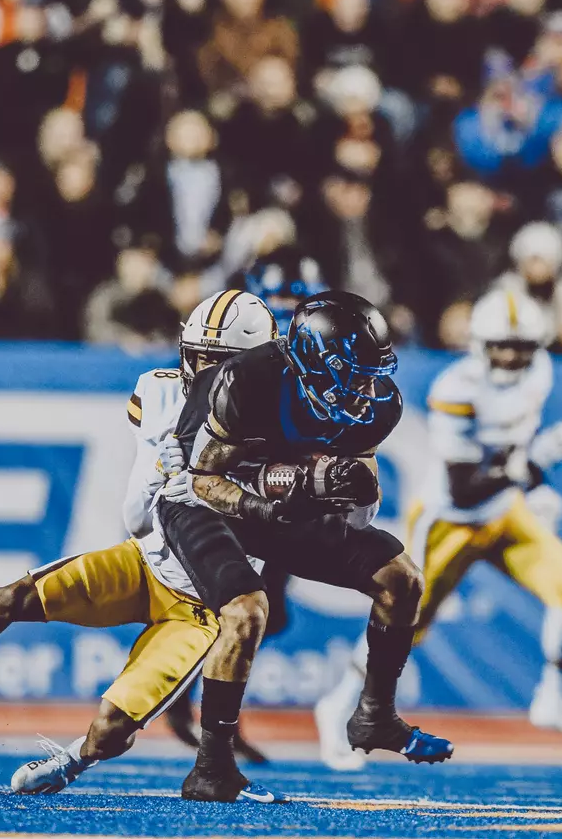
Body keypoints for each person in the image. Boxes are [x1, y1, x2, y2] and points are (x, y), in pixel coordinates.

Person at [0, 292, 280, 796]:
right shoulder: (158, 391)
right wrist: (170, 468)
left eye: (218, 364)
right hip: (147, 561)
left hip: (204, 603)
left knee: (114, 725)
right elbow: (137, 515)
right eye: (198, 358)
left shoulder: (285, 427)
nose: (203, 375)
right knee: (12, 598)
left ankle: (73, 760)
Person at [158, 292, 453, 801]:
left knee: (401, 578)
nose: (368, 387)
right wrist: (277, 499)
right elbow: (202, 478)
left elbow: (359, 507)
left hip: (281, 506)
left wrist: (349, 492)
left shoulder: (379, 403)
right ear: (316, 359)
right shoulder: (245, 380)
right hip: (202, 500)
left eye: (372, 372)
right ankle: (211, 766)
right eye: (356, 372)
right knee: (249, 611)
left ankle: (374, 716)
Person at [315, 288, 562, 770]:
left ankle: (557, 698)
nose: (513, 357)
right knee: (403, 625)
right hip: (450, 519)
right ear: (480, 343)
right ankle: (336, 706)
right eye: (502, 345)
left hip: (504, 510)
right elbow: (464, 486)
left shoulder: (541, 371)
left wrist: (534, 485)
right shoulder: (456, 389)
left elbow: (513, 445)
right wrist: (530, 467)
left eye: (522, 346)